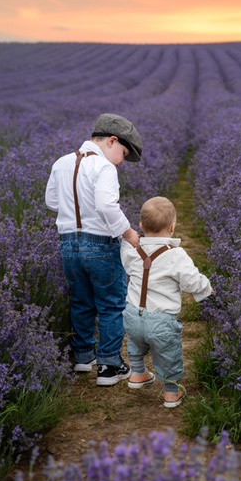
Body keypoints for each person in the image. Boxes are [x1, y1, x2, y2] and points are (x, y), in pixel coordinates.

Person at [45, 113, 142, 386]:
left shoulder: (61, 162)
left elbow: (51, 201)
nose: (121, 161)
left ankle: (83, 358)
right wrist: (128, 232)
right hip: (100, 243)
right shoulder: (104, 168)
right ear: (112, 141)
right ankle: (110, 366)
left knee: (81, 301)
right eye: (123, 153)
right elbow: (106, 206)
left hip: (68, 244)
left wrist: (74, 205)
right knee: (112, 304)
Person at [121, 196, 212, 407]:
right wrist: (206, 289)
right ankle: (171, 391)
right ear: (172, 228)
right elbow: (191, 280)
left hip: (132, 314)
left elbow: (124, 250)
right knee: (168, 353)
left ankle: (138, 373)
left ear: (141, 226)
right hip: (161, 320)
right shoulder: (176, 255)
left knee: (135, 341)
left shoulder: (132, 251)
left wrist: (127, 237)